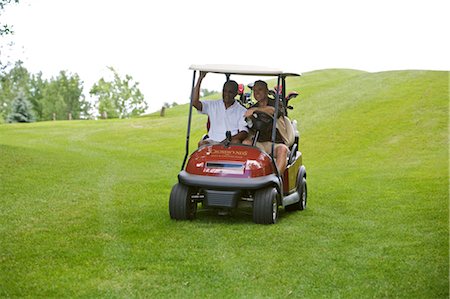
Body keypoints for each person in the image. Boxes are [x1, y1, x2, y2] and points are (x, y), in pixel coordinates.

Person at [243, 80, 290, 175]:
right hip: (259, 143)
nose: (257, 93)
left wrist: (256, 110)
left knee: (283, 150)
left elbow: (273, 111)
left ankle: (276, 179)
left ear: (267, 91)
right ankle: (249, 176)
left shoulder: (276, 104)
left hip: (275, 143)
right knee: (245, 143)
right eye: (255, 91)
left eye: (260, 90)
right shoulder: (252, 108)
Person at [193, 71, 248, 146]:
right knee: (202, 144)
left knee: (236, 142)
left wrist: (229, 139)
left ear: (236, 93)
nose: (226, 95)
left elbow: (244, 132)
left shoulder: (242, 110)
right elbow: (195, 103)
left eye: (230, 92)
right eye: (224, 91)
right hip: (212, 141)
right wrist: (200, 79)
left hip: (230, 142)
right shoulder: (213, 105)